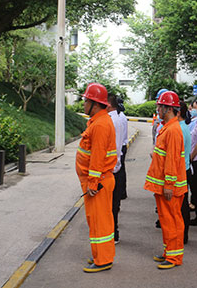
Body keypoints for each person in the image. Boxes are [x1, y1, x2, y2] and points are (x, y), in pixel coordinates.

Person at [76, 83, 117, 273]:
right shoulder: (98, 122)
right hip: (97, 182)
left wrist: (92, 182)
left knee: (99, 222)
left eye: (86, 101)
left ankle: (103, 260)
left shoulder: (100, 125)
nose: (83, 104)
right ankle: (100, 255)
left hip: (97, 183)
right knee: (98, 220)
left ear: (95, 104)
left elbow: (98, 158)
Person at [145, 91, 187, 270]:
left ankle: (174, 257)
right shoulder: (168, 128)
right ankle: (169, 252)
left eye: (160, 106)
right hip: (163, 184)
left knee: (172, 221)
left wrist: (169, 185)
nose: (158, 109)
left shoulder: (173, 130)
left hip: (169, 187)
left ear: (168, 108)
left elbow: (172, 160)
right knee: (166, 220)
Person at [107, 94, 128, 244]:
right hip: (116, 167)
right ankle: (113, 233)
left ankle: (112, 234)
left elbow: (113, 148)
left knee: (110, 207)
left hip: (112, 170)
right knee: (113, 206)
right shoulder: (118, 118)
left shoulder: (112, 121)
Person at [177, 101, 192, 244]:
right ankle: (183, 234)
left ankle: (182, 235)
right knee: (183, 205)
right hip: (184, 168)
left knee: (181, 206)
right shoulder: (183, 127)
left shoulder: (180, 129)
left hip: (180, 170)